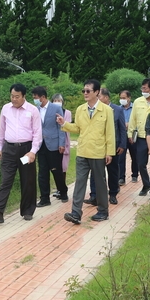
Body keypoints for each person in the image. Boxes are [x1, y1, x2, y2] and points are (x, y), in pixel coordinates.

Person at [56, 79, 115, 224]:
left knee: (100, 183)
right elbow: (78, 128)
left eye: (88, 91)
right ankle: (76, 213)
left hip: (98, 152)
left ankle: (103, 211)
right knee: (80, 182)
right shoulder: (80, 109)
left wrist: (110, 152)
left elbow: (110, 133)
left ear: (96, 92)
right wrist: (64, 124)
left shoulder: (106, 110)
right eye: (84, 91)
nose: (85, 93)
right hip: (82, 151)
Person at [0, 83, 42, 223]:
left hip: (26, 151)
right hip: (9, 150)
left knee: (27, 180)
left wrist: (32, 152)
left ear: (24, 96)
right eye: (12, 96)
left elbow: (37, 134)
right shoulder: (6, 109)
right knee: (6, 179)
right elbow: (1, 129)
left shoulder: (32, 110)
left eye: (17, 96)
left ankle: (27, 211)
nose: (14, 99)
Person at [84, 88, 126, 205]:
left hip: (113, 146)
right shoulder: (94, 109)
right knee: (95, 171)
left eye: (100, 96)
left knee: (112, 171)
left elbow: (122, 128)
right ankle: (94, 195)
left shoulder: (117, 110)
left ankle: (113, 193)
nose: (98, 99)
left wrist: (122, 144)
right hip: (97, 146)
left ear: (106, 98)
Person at [32, 87, 68, 206]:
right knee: (42, 173)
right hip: (41, 145)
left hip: (54, 144)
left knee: (56, 171)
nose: (34, 100)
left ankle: (63, 191)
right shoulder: (35, 110)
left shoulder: (56, 108)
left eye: (36, 97)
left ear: (42, 97)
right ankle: (44, 198)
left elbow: (61, 127)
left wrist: (61, 143)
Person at [127, 78, 150, 201]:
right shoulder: (138, 102)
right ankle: (146, 184)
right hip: (141, 137)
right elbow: (133, 118)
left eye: (145, 88)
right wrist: (130, 133)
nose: (142, 90)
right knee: (141, 163)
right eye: (142, 88)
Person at [50, 93, 71, 198]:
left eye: (59, 100)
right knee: (55, 167)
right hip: (53, 143)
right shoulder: (50, 112)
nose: (57, 102)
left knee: (63, 168)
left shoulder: (67, 113)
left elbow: (65, 126)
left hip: (64, 143)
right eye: (55, 100)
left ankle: (63, 189)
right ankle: (59, 189)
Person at [118, 90, 139, 185]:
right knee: (120, 157)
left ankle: (135, 175)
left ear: (129, 98)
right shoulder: (118, 109)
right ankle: (121, 177)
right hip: (122, 135)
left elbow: (139, 120)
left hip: (133, 134)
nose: (122, 100)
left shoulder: (136, 107)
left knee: (134, 156)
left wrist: (130, 125)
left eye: (124, 98)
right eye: (121, 98)